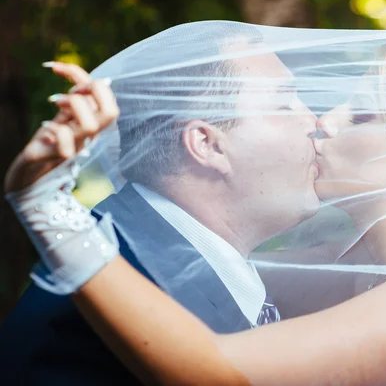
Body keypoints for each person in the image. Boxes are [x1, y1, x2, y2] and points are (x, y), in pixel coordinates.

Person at [6, 23, 386, 386]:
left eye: (361, 114)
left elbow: (216, 372)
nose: (323, 121)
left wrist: (48, 208)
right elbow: (208, 263)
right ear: (205, 142)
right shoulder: (357, 264)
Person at [0, 22, 318, 385]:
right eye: (285, 103)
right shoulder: (112, 298)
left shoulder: (143, 250)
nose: (314, 121)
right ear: (208, 145)